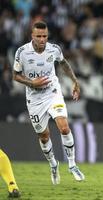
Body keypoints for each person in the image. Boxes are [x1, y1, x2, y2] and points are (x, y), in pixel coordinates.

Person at [12, 21, 85, 185]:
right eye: (38, 36)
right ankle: (53, 164)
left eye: (44, 36)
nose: (42, 39)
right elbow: (15, 76)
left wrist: (75, 82)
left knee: (64, 127)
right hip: (34, 99)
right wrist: (32, 83)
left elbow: (64, 63)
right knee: (44, 137)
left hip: (53, 93)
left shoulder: (54, 49)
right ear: (32, 36)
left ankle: (72, 165)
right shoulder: (22, 52)